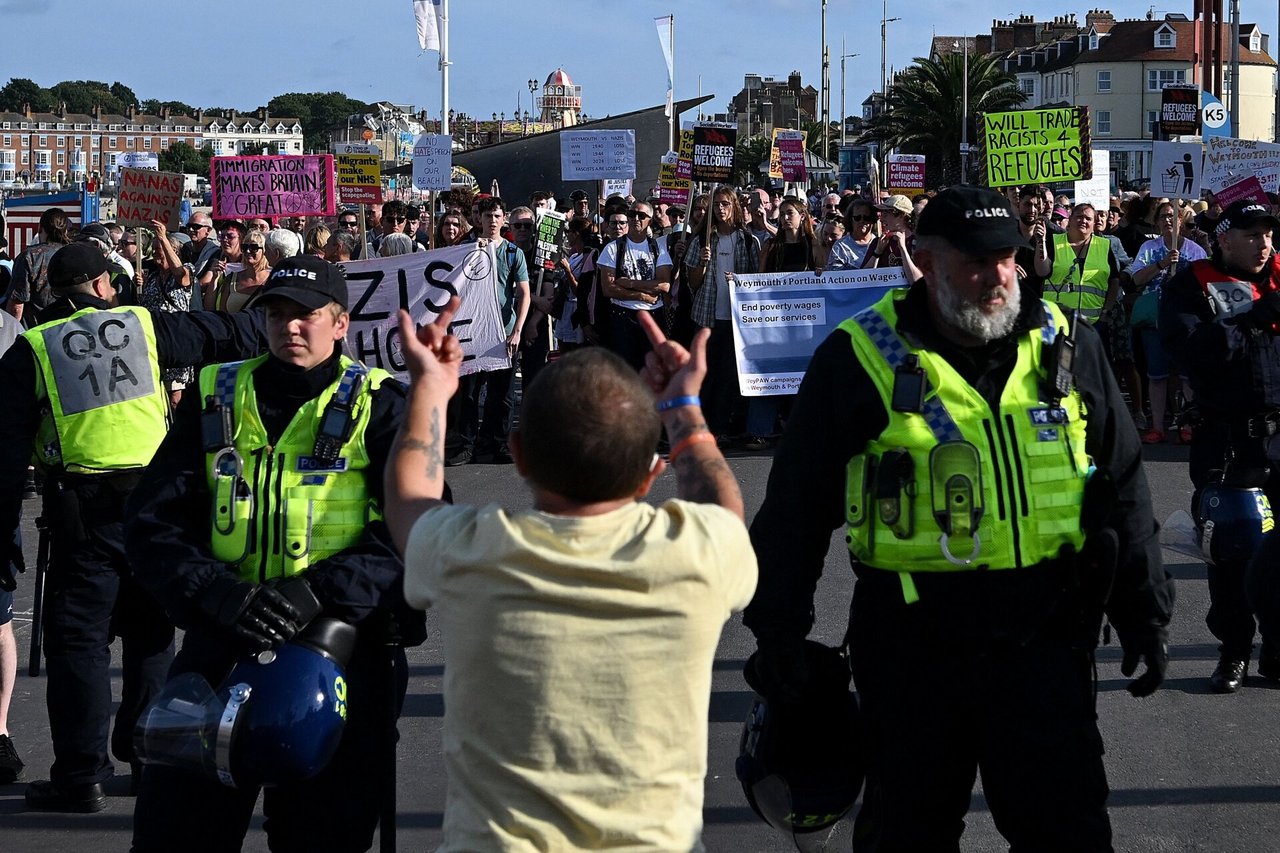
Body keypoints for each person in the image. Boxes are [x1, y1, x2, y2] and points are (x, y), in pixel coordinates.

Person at [745, 185, 1174, 851]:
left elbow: (1120, 484)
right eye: (973, 261)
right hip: (914, 647)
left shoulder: (1067, 345)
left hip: (1044, 643)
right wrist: (777, 633)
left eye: (1007, 258)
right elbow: (797, 508)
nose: (995, 276)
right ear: (924, 258)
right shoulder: (858, 356)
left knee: (1067, 832)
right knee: (906, 834)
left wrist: (1145, 608)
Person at [386, 303, 756, 851]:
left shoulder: (473, 550)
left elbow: (410, 497)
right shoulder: (699, 551)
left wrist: (431, 388)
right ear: (653, 474)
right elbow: (724, 510)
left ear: (518, 456)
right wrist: (683, 410)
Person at [126, 255, 423, 851]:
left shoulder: (382, 403)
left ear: (340, 324)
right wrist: (214, 591)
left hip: (340, 649)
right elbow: (154, 518)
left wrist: (318, 591)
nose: (289, 326)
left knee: (322, 838)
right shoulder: (216, 394)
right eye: (276, 313)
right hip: (222, 640)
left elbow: (416, 531)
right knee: (173, 833)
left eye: (305, 315)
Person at [0, 241, 269, 812]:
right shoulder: (144, 325)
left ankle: (81, 774)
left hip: (82, 512)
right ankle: (148, 758)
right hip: (155, 508)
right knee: (151, 637)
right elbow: (227, 332)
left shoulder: (34, 348)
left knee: (79, 644)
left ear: (54, 291)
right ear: (101, 286)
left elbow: (5, 454)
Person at [1161, 200, 1280, 693]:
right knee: (1232, 549)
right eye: (1251, 235)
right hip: (1229, 443)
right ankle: (1233, 651)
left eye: (1268, 235)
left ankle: (1276, 651)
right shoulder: (1192, 284)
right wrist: (1253, 316)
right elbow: (1192, 352)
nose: (1264, 244)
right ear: (1224, 239)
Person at [446, 196, 529, 466]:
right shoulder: (466, 248)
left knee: (502, 394)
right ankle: (467, 443)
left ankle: (497, 442)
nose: (492, 221)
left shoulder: (513, 253)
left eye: (496, 216)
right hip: (472, 332)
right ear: (478, 220)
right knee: (468, 393)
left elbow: (524, 294)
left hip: (503, 332)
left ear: (503, 219)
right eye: (487, 216)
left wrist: (517, 331)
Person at [684, 188, 759, 439]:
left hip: (735, 320)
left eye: (725, 204)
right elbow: (692, 283)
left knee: (728, 378)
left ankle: (721, 429)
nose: (720, 209)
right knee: (704, 376)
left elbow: (755, 280)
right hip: (707, 317)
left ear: (734, 206)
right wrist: (703, 265)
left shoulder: (747, 240)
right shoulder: (702, 241)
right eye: (716, 205)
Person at [1129, 201, 1206, 445]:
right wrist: (1161, 264)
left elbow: (1205, 286)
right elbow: (1137, 279)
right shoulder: (1148, 248)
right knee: (1157, 375)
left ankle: (1189, 425)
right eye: (1163, 216)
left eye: (1173, 215)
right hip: (1155, 320)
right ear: (1156, 221)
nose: (1168, 220)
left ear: (1181, 220)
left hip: (1185, 321)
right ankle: (1157, 427)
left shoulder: (1195, 251)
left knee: (1186, 376)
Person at [598, 201, 673, 372]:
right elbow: (608, 288)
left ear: (650, 220)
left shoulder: (658, 248)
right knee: (625, 372)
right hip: (623, 317)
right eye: (632, 215)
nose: (636, 219)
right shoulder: (612, 249)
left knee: (653, 370)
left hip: (654, 315)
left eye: (642, 216)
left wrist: (630, 283)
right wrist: (642, 296)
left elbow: (664, 285)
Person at [134, 219, 196, 406]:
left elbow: (180, 274)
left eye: (158, 248)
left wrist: (162, 237)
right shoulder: (151, 277)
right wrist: (139, 287)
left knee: (175, 396)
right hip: (154, 343)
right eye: (153, 248)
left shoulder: (186, 271)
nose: (155, 253)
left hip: (175, 341)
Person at [6, 206, 72, 324]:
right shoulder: (75, 255)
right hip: (68, 329)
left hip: (35, 331)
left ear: (40, 228)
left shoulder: (29, 256)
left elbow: (16, 306)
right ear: (66, 230)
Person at [862, 195, 923, 282]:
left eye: (885, 215)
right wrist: (877, 253)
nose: (881, 219)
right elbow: (862, 279)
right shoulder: (878, 242)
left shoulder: (918, 243)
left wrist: (903, 249)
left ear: (902, 215)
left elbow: (917, 282)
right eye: (881, 214)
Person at [206, 229, 270, 312]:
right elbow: (220, 312)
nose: (247, 251)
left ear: (265, 251)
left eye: (253, 247)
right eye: (244, 247)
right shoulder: (231, 278)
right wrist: (214, 279)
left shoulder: (274, 279)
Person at [827, 198, 879, 271]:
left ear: (873, 220)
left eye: (867, 218)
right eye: (857, 218)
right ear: (850, 220)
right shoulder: (840, 246)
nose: (862, 221)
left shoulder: (880, 244)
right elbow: (835, 275)